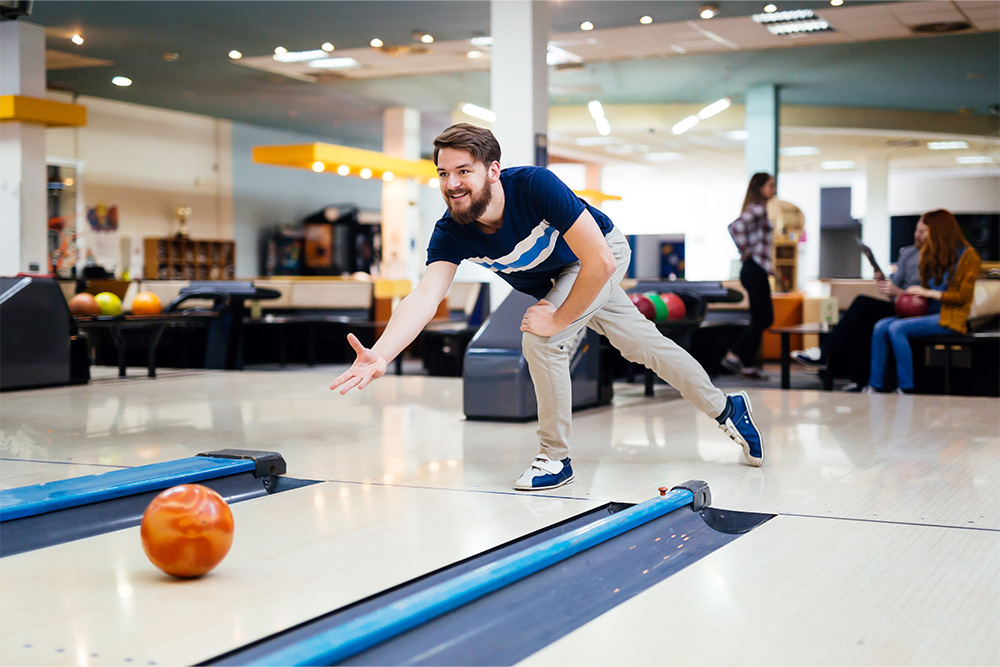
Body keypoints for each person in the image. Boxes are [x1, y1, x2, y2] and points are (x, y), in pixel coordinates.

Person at [330, 123, 765, 490]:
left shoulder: (535, 187)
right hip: (561, 275)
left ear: (493, 170)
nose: (452, 184)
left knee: (541, 339)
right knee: (642, 344)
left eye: (464, 171)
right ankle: (728, 408)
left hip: (598, 254)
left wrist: (556, 318)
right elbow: (426, 295)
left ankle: (555, 459)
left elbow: (598, 261)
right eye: (443, 173)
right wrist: (382, 352)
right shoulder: (453, 230)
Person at [793, 220, 926, 391]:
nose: (917, 235)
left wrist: (899, 292)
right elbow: (895, 287)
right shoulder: (908, 253)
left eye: (922, 232)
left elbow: (925, 294)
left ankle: (824, 352)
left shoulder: (936, 258)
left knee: (862, 304)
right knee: (863, 322)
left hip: (917, 309)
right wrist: (885, 283)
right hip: (899, 305)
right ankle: (860, 382)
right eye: (917, 230)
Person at [868, 209, 981, 393]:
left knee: (897, 328)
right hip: (926, 314)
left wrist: (929, 293)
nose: (920, 236)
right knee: (881, 326)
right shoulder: (933, 254)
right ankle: (875, 386)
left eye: (925, 231)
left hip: (949, 317)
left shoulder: (968, 256)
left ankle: (906, 387)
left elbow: (963, 297)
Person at [721, 172, 777, 380]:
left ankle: (747, 363)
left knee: (760, 318)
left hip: (755, 269)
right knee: (764, 318)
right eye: (770, 185)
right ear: (760, 187)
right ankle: (735, 354)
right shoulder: (758, 208)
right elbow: (735, 227)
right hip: (753, 268)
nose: (774, 189)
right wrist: (744, 249)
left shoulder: (758, 209)